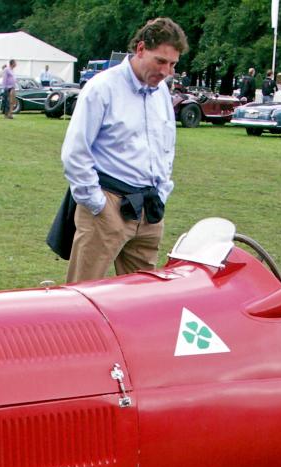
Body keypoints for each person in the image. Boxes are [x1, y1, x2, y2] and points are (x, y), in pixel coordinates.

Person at [53, 17, 187, 282]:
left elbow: (166, 148)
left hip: (148, 209)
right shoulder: (102, 88)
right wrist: (97, 204)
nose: (166, 71)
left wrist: (161, 192)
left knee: (142, 302)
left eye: (172, 64)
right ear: (140, 50)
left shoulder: (161, 93)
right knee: (84, 294)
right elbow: (75, 152)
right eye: (160, 61)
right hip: (107, 204)